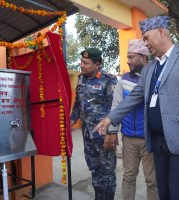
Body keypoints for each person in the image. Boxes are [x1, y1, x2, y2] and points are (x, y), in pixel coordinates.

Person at [95, 15, 179, 200]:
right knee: (164, 193)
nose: (145, 43)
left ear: (160, 32)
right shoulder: (150, 69)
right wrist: (110, 119)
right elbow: (134, 97)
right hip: (157, 143)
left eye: (147, 37)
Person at [108, 39, 159, 200]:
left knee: (152, 181)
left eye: (131, 57)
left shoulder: (156, 76)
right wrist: (112, 131)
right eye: (128, 57)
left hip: (149, 138)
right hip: (128, 138)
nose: (128, 61)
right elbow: (116, 106)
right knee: (128, 177)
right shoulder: (123, 79)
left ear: (143, 57)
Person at [70, 48, 118, 200]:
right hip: (87, 135)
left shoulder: (109, 80)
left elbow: (116, 109)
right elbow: (78, 103)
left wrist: (112, 133)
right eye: (81, 62)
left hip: (104, 136)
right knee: (94, 170)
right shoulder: (81, 79)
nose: (82, 65)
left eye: (86, 63)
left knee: (107, 173)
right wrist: (71, 120)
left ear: (97, 64)